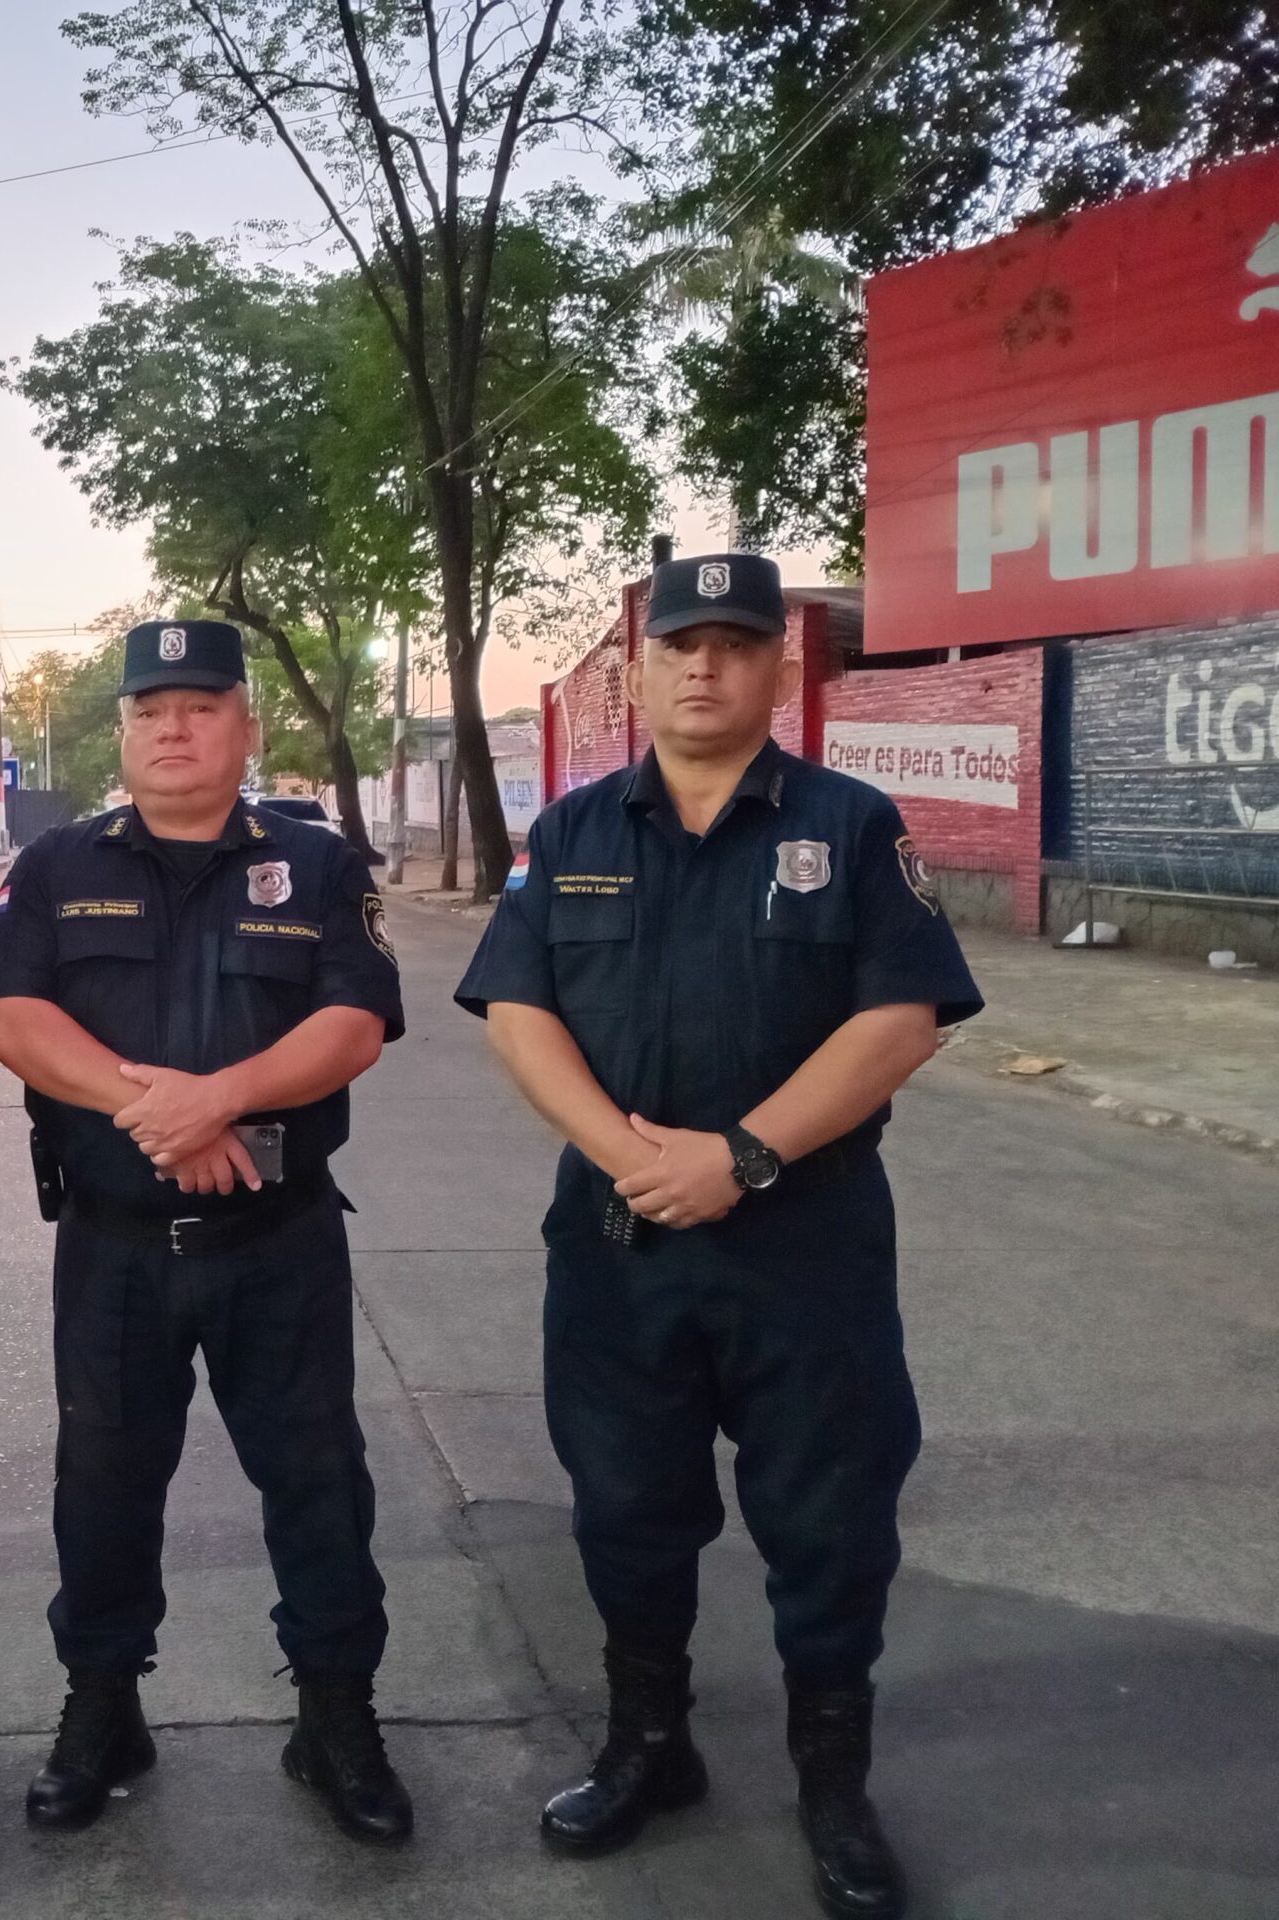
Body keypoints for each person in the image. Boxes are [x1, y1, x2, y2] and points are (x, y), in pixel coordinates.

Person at [455, 552, 981, 1920]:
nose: (706, 666)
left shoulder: (854, 826)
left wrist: (743, 1156)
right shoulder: (571, 835)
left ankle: (832, 1781)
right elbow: (522, 1011)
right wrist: (634, 1159)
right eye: (681, 643)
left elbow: (900, 1020)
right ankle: (650, 1746)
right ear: (639, 667)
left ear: (778, 669)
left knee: (830, 1516)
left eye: (738, 644)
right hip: (621, 1240)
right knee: (627, 1505)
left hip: (804, 1245)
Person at [0, 618, 413, 1846]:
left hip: (277, 1240)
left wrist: (218, 1097)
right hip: (115, 1243)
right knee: (102, 1490)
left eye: (202, 705)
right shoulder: (56, 864)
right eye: (150, 708)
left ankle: (336, 1719)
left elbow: (354, 1024)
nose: (175, 727)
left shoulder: (316, 864)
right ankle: (101, 1709)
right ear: (120, 732)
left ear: (246, 725)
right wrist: (151, 1106)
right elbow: (9, 1016)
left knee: (318, 1486)